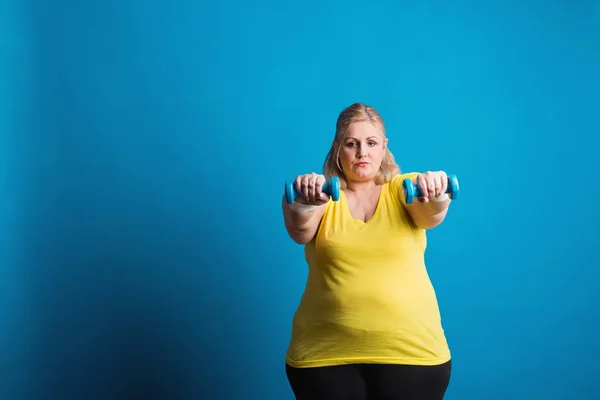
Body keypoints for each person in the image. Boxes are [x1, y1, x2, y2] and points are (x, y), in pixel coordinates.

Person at [281, 102, 454, 400]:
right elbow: (300, 230)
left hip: (411, 354)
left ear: (384, 146)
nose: (363, 153)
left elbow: (431, 214)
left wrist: (437, 190)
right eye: (352, 143)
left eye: (371, 143)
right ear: (338, 147)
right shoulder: (321, 196)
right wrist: (305, 201)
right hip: (324, 355)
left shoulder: (402, 189)